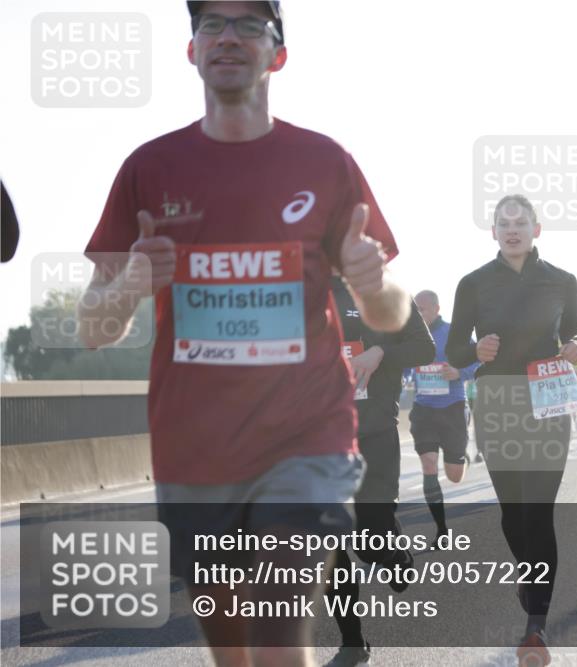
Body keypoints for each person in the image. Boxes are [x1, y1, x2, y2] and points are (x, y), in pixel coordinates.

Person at [77, 3, 410, 665]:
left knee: (279, 631)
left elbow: (392, 315)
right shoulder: (149, 167)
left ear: (277, 53)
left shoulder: (325, 161)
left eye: (251, 24)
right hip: (194, 447)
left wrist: (374, 285)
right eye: (212, 24)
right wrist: (129, 286)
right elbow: (92, 327)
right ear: (192, 51)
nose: (229, 35)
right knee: (233, 649)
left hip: (305, 435)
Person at [446, 194, 577, 666]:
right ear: (493, 232)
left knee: (538, 511)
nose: (512, 229)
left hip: (548, 401)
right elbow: (454, 351)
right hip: (497, 402)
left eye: (520, 222)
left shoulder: (563, 281)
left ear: (536, 230)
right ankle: (529, 574)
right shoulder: (473, 283)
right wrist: (475, 350)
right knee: (513, 512)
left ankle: (536, 627)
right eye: (503, 223)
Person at [326, 275, 434, 666]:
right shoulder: (295, 293)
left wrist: (380, 352)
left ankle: (394, 556)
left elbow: (425, 346)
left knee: (371, 539)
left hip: (373, 433)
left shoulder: (386, 294)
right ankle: (352, 643)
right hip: (315, 437)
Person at [409, 289, 479, 546]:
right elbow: (403, 368)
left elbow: (479, 361)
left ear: (437, 309)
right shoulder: (410, 335)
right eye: (414, 309)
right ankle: (441, 531)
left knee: (454, 475)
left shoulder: (454, 333)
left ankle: (463, 457)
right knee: (428, 465)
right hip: (424, 409)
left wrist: (459, 372)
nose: (418, 313)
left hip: (452, 407)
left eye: (423, 309)